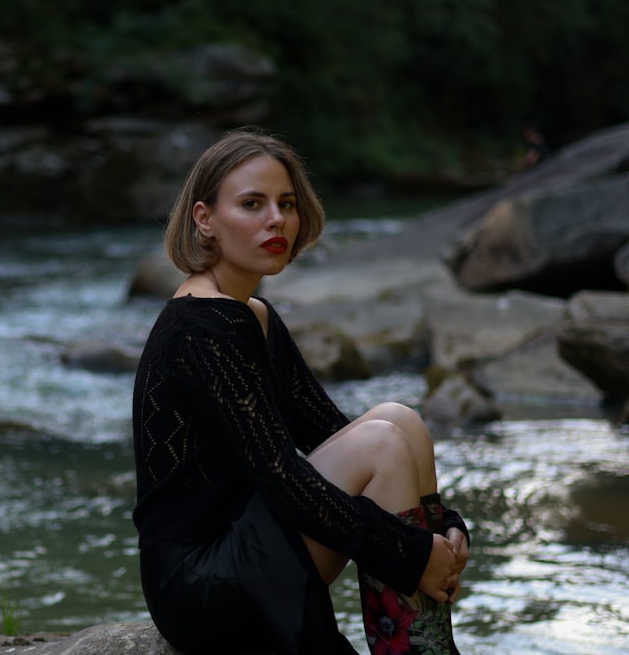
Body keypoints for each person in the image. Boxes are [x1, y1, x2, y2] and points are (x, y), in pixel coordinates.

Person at [132, 127, 470, 654]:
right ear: (205, 220)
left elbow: (330, 434)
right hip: (201, 582)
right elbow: (284, 481)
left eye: (286, 203)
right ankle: (415, 647)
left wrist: (443, 527)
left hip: (246, 544)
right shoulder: (201, 328)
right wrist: (409, 552)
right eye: (252, 204)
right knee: (381, 443)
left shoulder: (253, 316)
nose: (277, 220)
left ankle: (421, 645)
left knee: (397, 419)